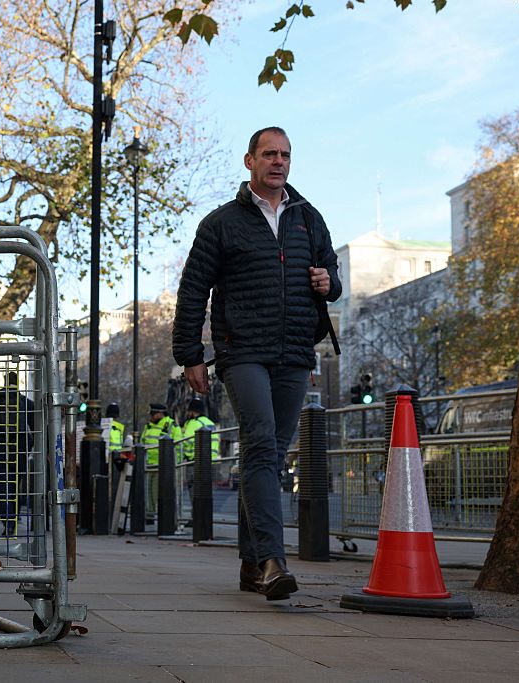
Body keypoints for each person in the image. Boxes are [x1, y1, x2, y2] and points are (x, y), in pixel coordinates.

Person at [172, 126, 341, 600]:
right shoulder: (221, 223)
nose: (279, 162)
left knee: (268, 452)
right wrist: (190, 355)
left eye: (286, 154)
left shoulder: (309, 219)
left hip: (294, 351)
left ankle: (250, 565)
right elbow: (193, 291)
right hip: (242, 351)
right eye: (269, 154)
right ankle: (272, 560)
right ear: (249, 161)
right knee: (262, 444)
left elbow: (333, 276)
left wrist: (330, 281)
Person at [0, 371, 35, 536]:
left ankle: (7, 521)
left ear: (5, 382)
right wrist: (28, 447)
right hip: (19, 451)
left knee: (2, 486)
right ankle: (14, 519)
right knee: (15, 486)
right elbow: (35, 431)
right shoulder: (26, 403)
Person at [140, 402, 180, 517]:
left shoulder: (170, 425)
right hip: (149, 464)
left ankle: (164, 516)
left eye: (153, 414)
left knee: (158, 492)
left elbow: (177, 444)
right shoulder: (148, 426)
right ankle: (150, 514)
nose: (151, 417)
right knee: (149, 492)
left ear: (160, 414)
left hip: (164, 465)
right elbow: (143, 442)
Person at [182, 398, 220, 462]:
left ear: (192, 411)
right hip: (213, 459)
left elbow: (186, 442)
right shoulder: (210, 422)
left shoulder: (193, 422)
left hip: (197, 460)